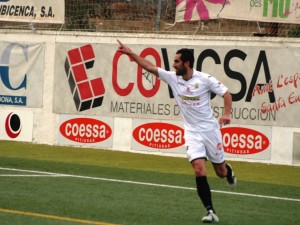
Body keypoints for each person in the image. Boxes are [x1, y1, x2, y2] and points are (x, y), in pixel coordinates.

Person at [117, 40, 236, 223]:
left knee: (220, 172)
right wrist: (130, 53)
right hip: (192, 133)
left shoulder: (204, 79)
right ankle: (210, 211)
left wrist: (227, 113)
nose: (174, 64)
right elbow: (148, 66)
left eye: (177, 61)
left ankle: (228, 172)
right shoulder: (173, 77)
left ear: (187, 63)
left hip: (211, 132)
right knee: (198, 169)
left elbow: (226, 94)